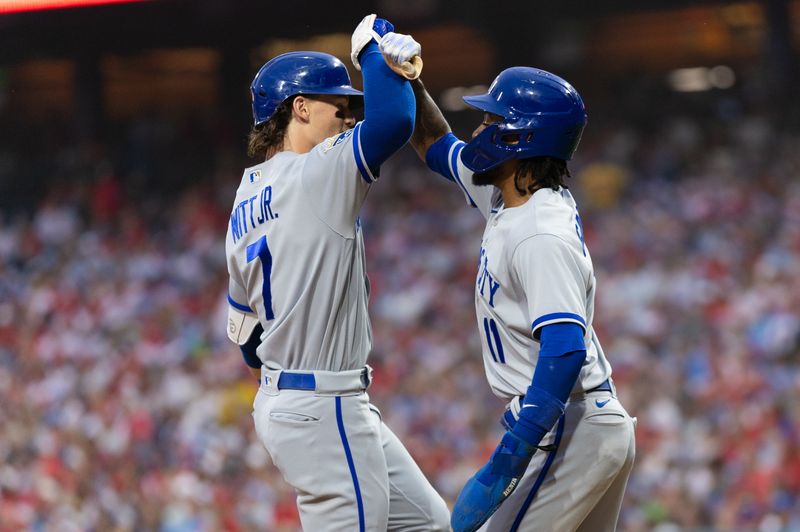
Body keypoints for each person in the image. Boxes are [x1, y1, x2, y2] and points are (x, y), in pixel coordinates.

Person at [223, 15, 449, 532]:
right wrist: (371, 46)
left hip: (299, 401)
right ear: (299, 108)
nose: (349, 119)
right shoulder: (315, 171)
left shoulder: (244, 197)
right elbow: (394, 121)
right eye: (339, 107)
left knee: (428, 523)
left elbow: (247, 340)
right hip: (323, 406)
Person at [403, 64, 637, 531]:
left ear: (517, 139)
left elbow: (565, 347)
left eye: (491, 121)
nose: (479, 130)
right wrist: (406, 80)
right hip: (585, 422)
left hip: (572, 426)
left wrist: (510, 457)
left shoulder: (538, 232)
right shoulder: (516, 195)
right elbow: (436, 145)